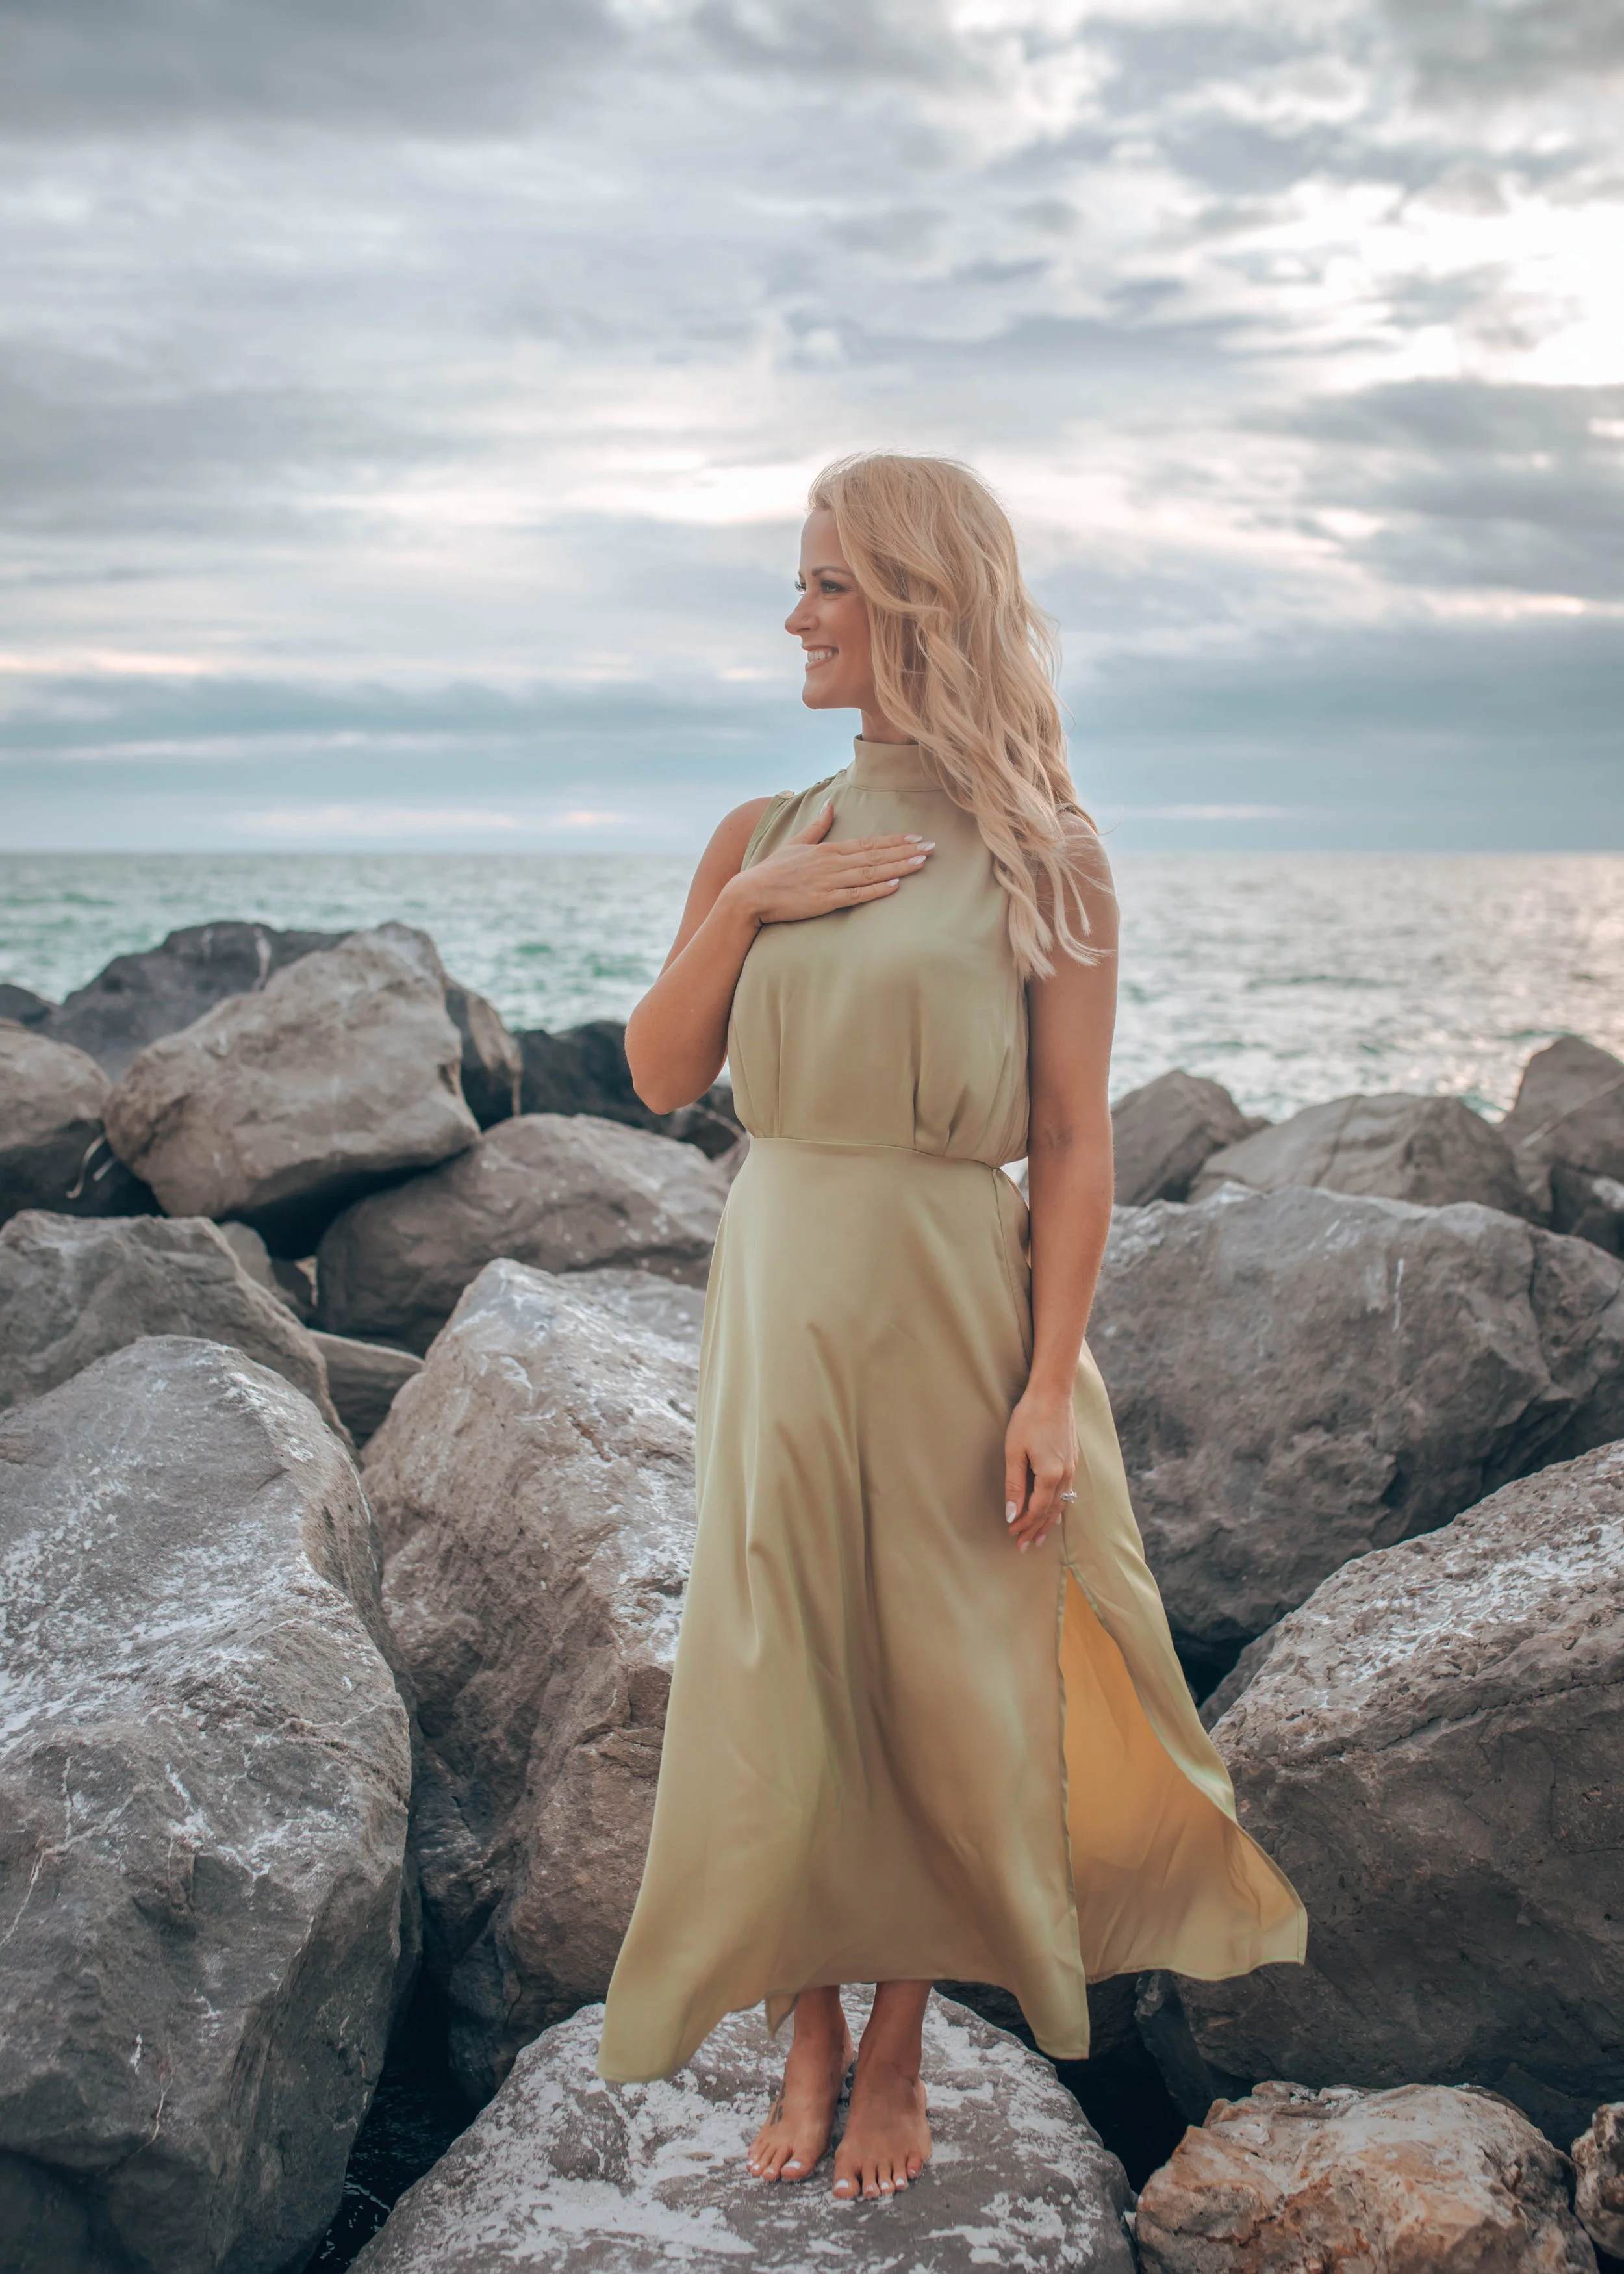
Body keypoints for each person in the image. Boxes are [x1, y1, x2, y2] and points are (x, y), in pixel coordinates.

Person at [596, 452, 1305, 2203]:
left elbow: (1073, 1144)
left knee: (939, 1661)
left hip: (945, 1284)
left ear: (913, 601)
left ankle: (899, 2029)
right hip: (778, 1262)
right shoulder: (754, 836)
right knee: (778, 1650)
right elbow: (661, 1068)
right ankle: (803, 2021)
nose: (795, 615)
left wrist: (1048, 1379)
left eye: (826, 582)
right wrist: (753, 907)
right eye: (800, 578)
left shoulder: (1042, 851)